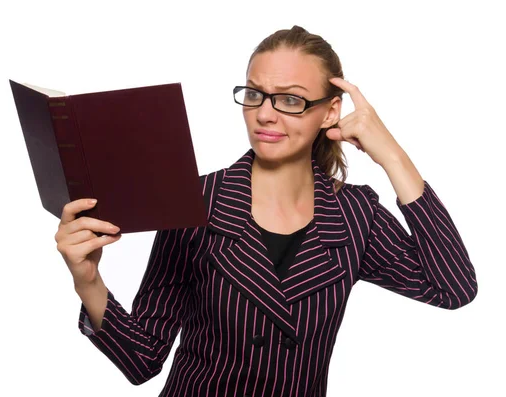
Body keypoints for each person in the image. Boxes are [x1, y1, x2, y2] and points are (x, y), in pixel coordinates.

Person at [55, 25, 478, 396]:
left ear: (330, 110)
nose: (264, 114)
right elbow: (141, 360)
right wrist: (88, 280)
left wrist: (392, 156)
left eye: (290, 100)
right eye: (255, 94)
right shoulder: (198, 202)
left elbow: (453, 288)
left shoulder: (354, 215)